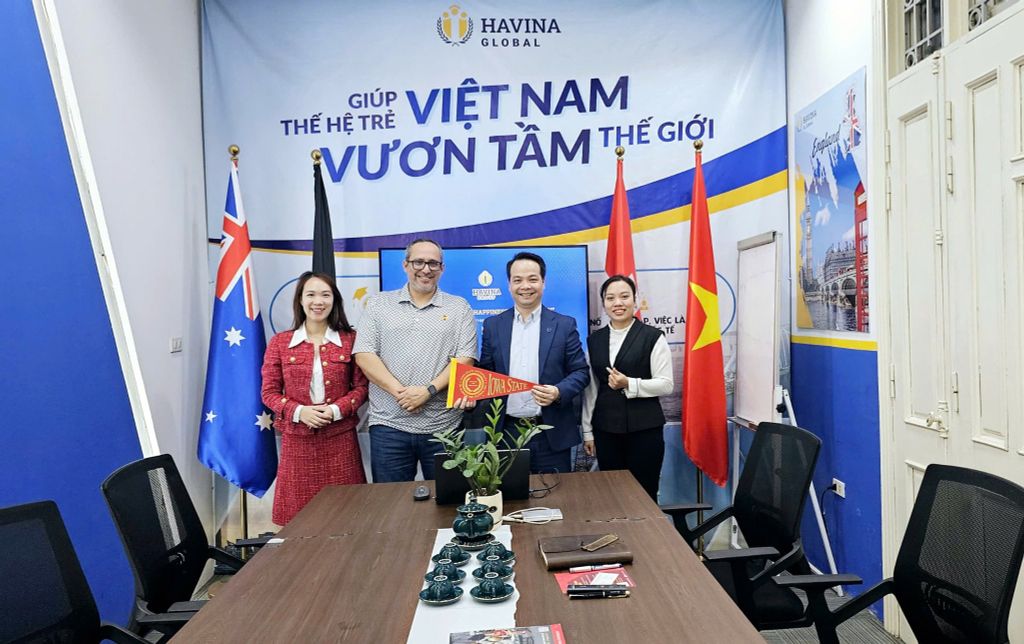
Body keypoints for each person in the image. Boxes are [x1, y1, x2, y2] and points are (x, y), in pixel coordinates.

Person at [353, 238, 477, 482]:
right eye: (418, 262)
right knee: (390, 502)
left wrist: (427, 392)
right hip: (388, 426)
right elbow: (364, 355)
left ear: (442, 268)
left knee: (449, 500)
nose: (426, 269)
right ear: (405, 265)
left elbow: (465, 359)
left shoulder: (458, 307)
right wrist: (403, 394)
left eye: (433, 263)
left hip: (444, 427)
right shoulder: (378, 304)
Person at [260, 271, 368, 525]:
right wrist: (300, 412)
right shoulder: (280, 342)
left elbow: (362, 388)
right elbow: (269, 392)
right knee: (299, 522)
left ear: (335, 300)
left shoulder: (351, 340)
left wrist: (336, 410)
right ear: (300, 300)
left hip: (341, 441)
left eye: (325, 295)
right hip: (297, 444)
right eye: (311, 295)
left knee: (347, 517)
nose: (318, 301)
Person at [476, 252, 590, 474]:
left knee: (556, 494)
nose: (525, 286)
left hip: (550, 433)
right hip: (505, 433)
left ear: (543, 283)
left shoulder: (564, 325)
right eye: (517, 280)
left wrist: (558, 391)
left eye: (532, 279)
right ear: (509, 285)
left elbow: (581, 372)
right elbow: (486, 373)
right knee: (509, 494)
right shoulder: (493, 326)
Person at [582, 275, 673, 501]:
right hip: (606, 431)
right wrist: (587, 431)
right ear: (604, 303)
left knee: (644, 496)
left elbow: (666, 384)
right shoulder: (594, 340)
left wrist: (630, 384)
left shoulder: (653, 337)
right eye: (610, 298)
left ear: (635, 300)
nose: (618, 303)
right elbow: (591, 390)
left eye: (624, 296)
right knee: (612, 496)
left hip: (645, 431)